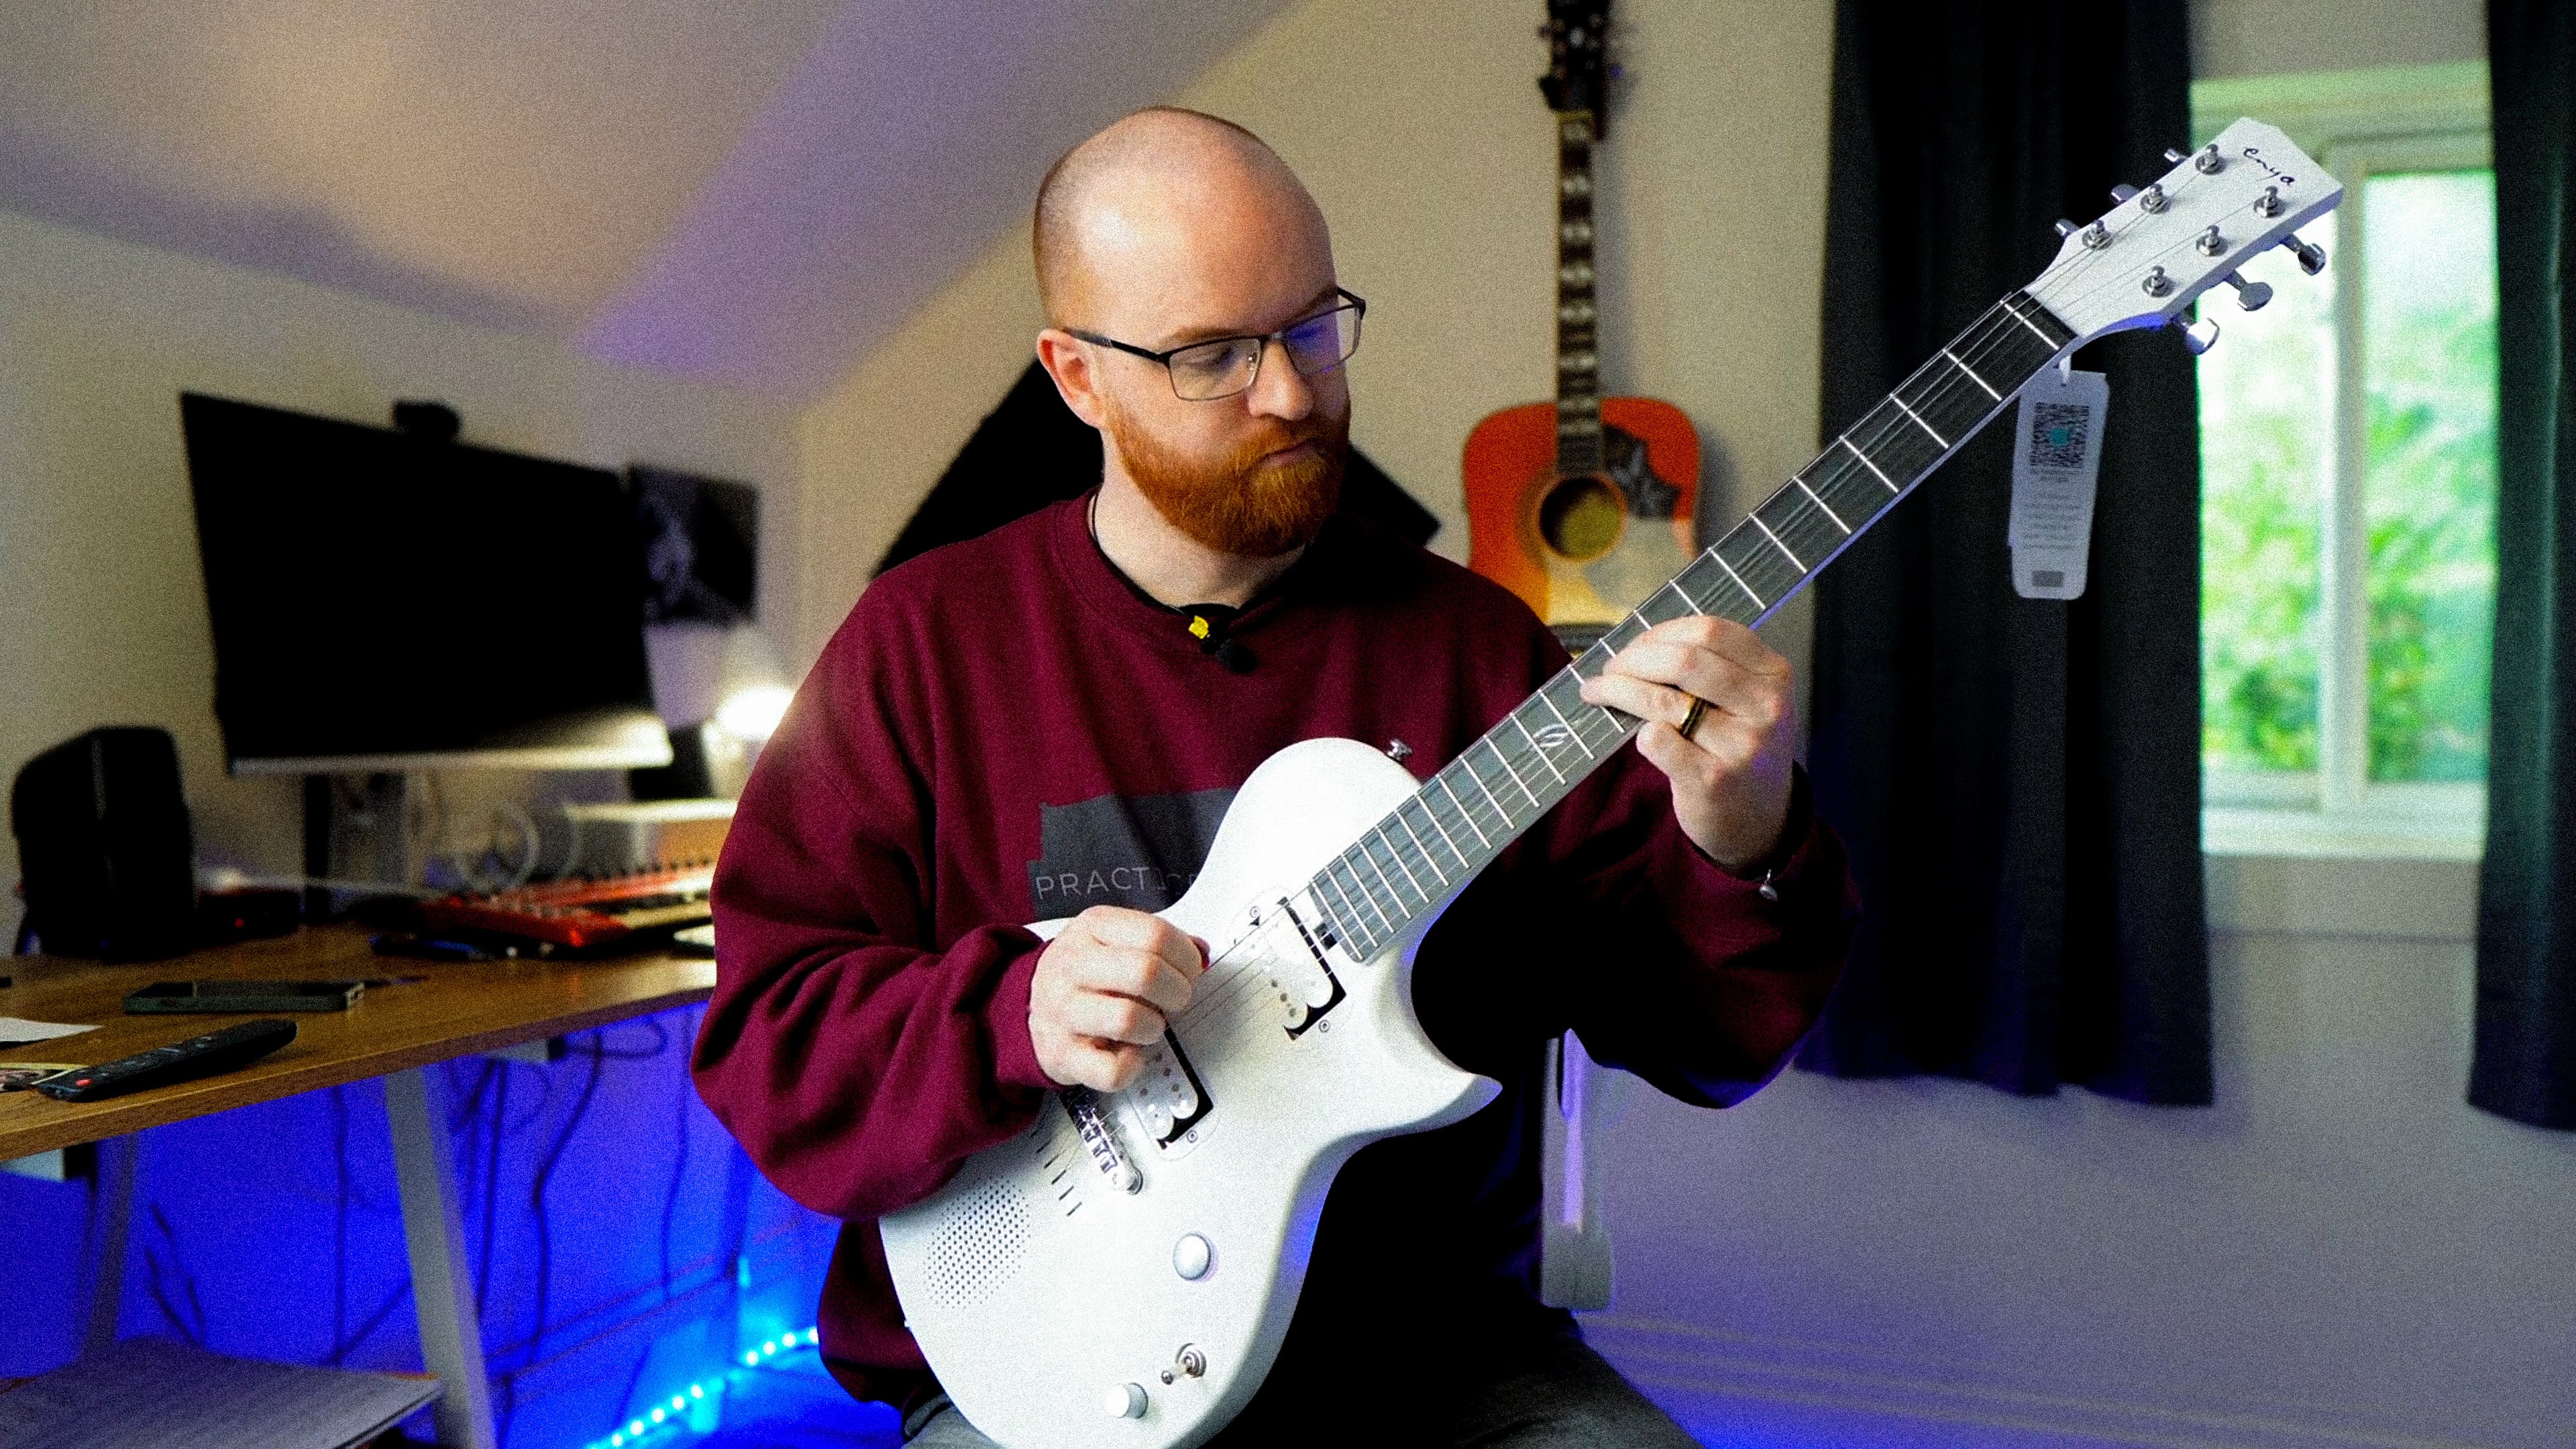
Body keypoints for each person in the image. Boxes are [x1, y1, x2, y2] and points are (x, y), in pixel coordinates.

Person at [692, 107, 1858, 1448]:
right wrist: (1011, 1012)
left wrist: (1743, 832)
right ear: (1077, 376)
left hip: (1440, 1357)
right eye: (1213, 355)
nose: (1295, 393)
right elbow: (772, 1037)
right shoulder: (921, 645)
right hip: (1049, 1368)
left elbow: (1705, 1040)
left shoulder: (1477, 652)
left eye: (1313, 325)